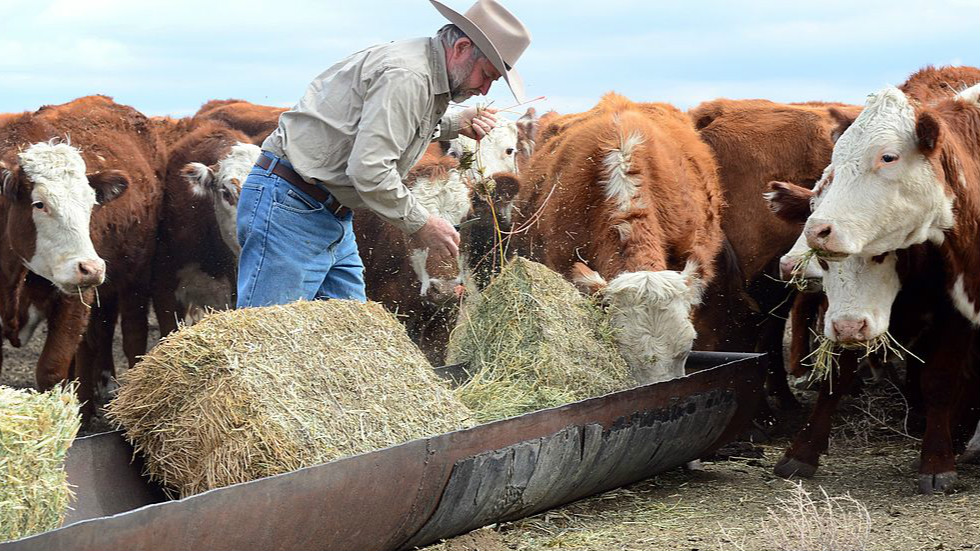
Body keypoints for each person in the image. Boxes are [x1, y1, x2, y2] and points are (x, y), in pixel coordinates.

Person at [236, 0, 531, 308]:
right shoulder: (409, 77)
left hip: (323, 208)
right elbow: (370, 171)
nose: (484, 90)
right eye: (486, 74)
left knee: (353, 335)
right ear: (461, 47)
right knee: (269, 337)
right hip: (292, 207)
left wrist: (456, 123)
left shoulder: (420, 67)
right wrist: (424, 224)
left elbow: (389, 126)